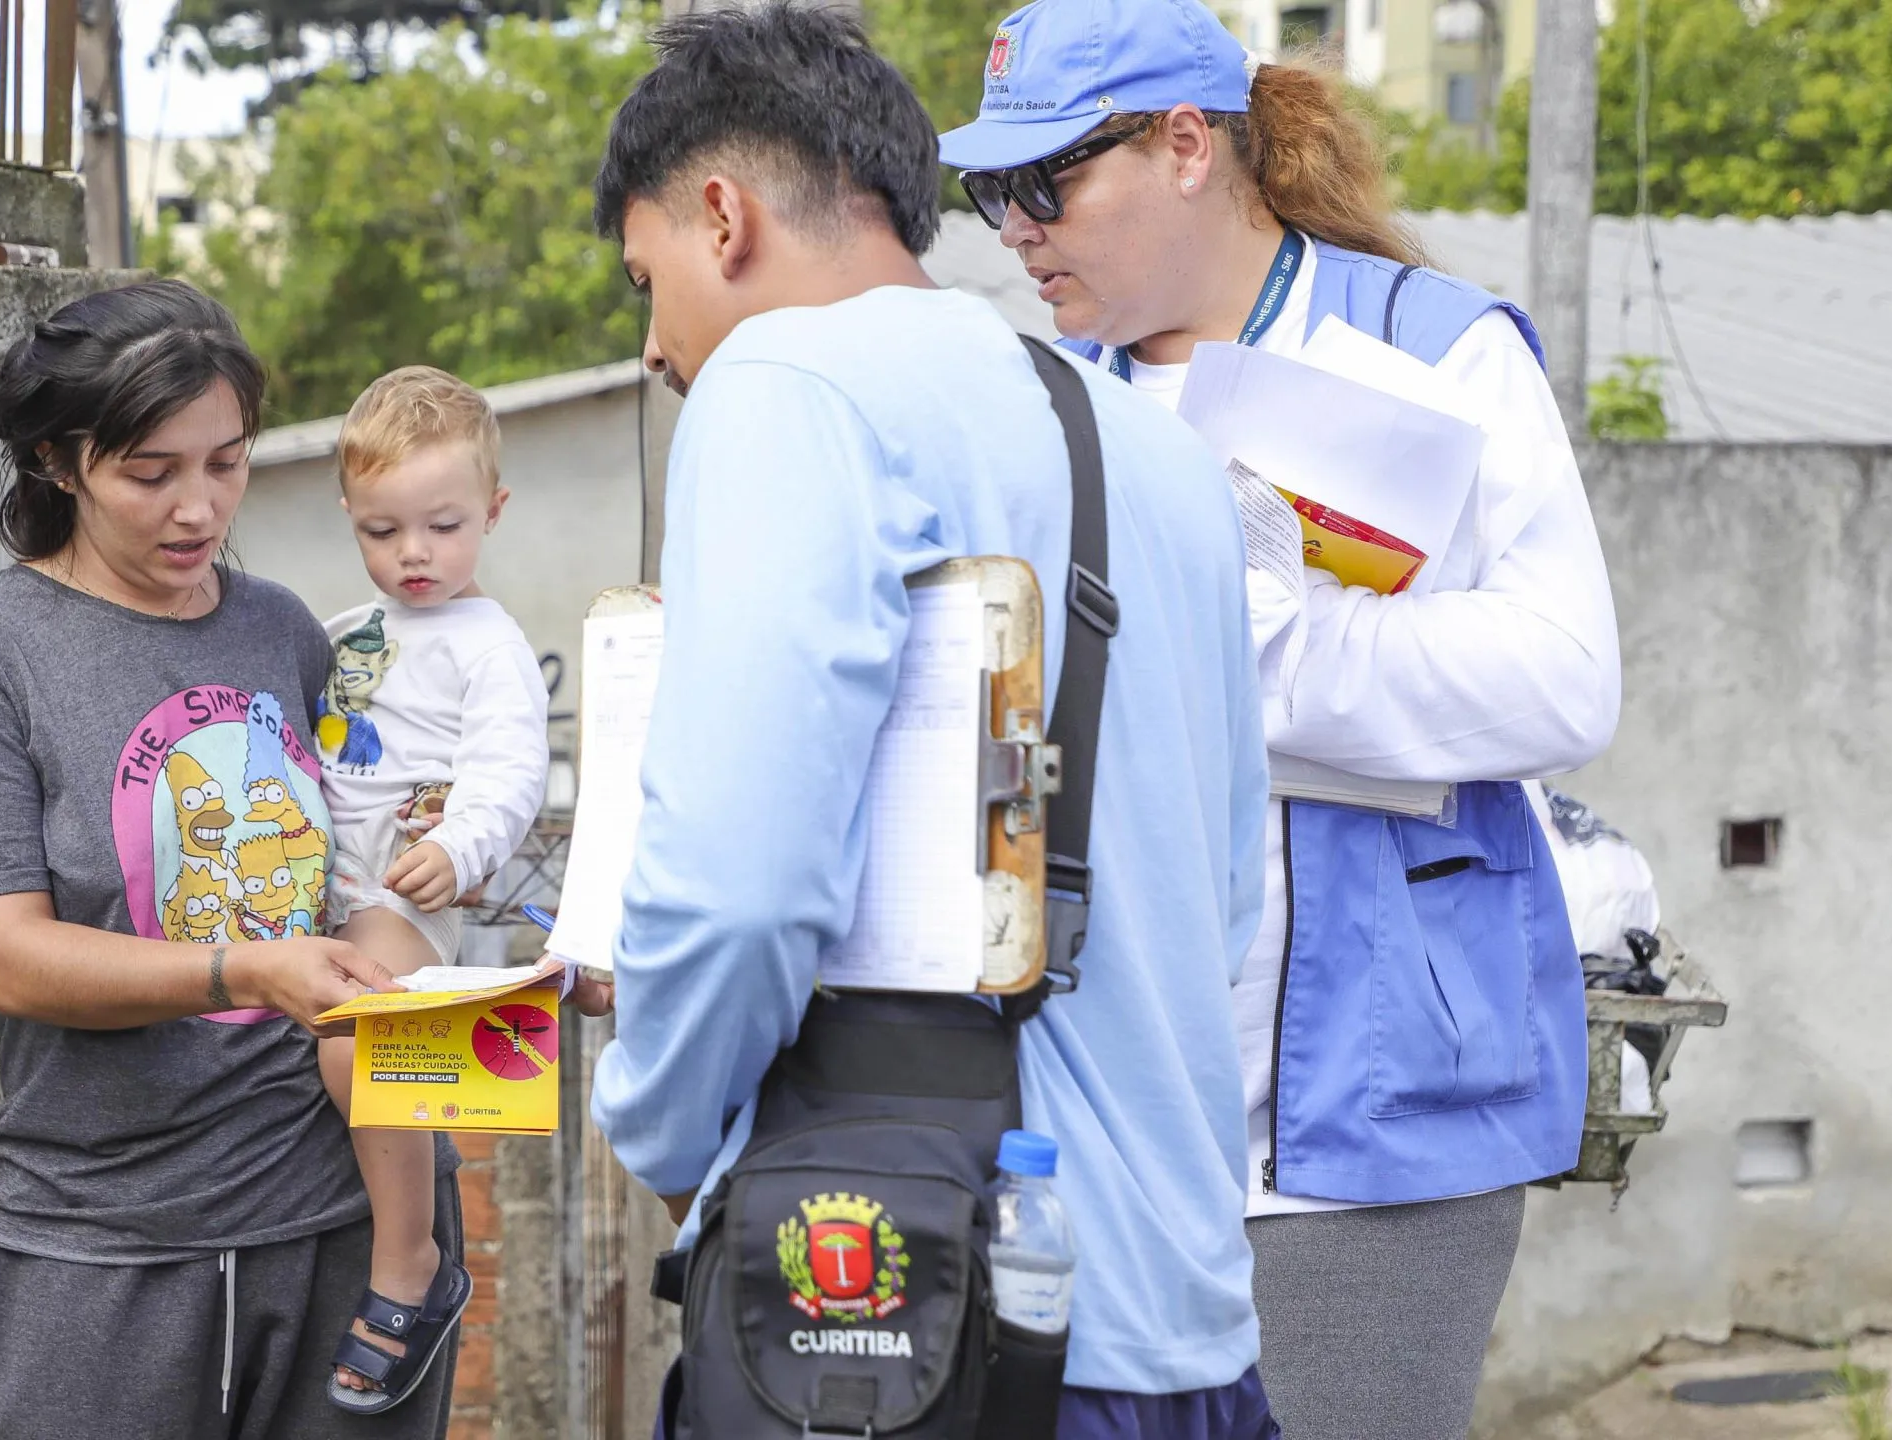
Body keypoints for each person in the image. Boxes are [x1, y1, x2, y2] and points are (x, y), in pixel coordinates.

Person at [584, 7, 1278, 1436]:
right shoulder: (1147, 442)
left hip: (926, 1326)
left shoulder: (785, 387)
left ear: (721, 217)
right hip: (1179, 1326)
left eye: (647, 281)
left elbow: (737, 889)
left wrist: (658, 1127)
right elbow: (1222, 900)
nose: (657, 347)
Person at [938, 2, 1621, 1435]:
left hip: (1369, 1134)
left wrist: (1276, 649)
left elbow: (1567, 678)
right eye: (985, 194)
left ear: (1187, 146)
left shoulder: (1432, 350)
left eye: (1042, 183)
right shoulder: (1052, 399)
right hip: (1107, 1122)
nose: (1014, 229)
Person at [0, 280, 463, 1440]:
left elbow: (360, 864)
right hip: (105, 1250)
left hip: (347, 1230)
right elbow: (5, 957)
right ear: (60, 462)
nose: (198, 508)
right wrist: (241, 971)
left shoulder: (286, 630)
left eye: (227, 463)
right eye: (151, 473)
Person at [309, 366, 550, 1413]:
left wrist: (459, 847)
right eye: (382, 530)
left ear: (491, 513)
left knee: (348, 1039)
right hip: (316, 877)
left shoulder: (488, 646)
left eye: (442, 527)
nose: (413, 554)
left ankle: (411, 1263)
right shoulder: (340, 630)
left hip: (403, 893)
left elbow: (510, 774)